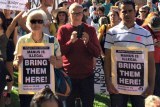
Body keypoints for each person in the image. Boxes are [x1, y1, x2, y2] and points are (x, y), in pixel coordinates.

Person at [104, 1, 155, 107]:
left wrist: (151, 85)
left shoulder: (146, 34)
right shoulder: (111, 33)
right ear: (120, 12)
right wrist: (108, 82)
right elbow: (107, 59)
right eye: (124, 11)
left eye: (130, 11)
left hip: (140, 86)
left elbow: (150, 61)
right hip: (117, 86)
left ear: (135, 11)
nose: (127, 14)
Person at [13, 9, 62, 107]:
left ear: (44, 23)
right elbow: (15, 63)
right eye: (33, 21)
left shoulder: (52, 41)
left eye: (40, 21)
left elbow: (60, 63)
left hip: (47, 89)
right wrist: (17, 62)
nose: (36, 24)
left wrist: (55, 62)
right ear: (28, 23)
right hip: (27, 88)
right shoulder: (22, 40)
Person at [57, 2, 100, 107]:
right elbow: (59, 52)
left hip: (87, 76)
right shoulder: (63, 29)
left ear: (83, 14)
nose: (77, 16)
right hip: (69, 75)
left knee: (87, 104)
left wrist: (88, 43)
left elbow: (97, 53)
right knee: (69, 104)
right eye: (74, 13)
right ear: (69, 14)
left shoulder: (90, 29)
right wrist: (70, 42)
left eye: (79, 13)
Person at [142, 14, 160, 97]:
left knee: (157, 82)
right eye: (153, 29)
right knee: (147, 81)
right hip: (146, 60)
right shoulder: (143, 29)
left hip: (158, 61)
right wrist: (150, 43)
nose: (156, 30)